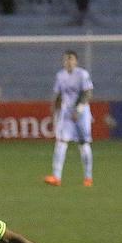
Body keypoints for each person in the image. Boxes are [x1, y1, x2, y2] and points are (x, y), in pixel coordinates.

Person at [44, 50, 94, 188]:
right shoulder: (60, 75)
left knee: (83, 144)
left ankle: (88, 177)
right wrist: (54, 109)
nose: (68, 62)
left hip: (81, 113)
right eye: (66, 60)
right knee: (61, 142)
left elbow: (87, 93)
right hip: (66, 113)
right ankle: (56, 177)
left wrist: (78, 110)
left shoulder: (82, 74)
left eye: (71, 59)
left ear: (76, 61)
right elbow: (59, 94)